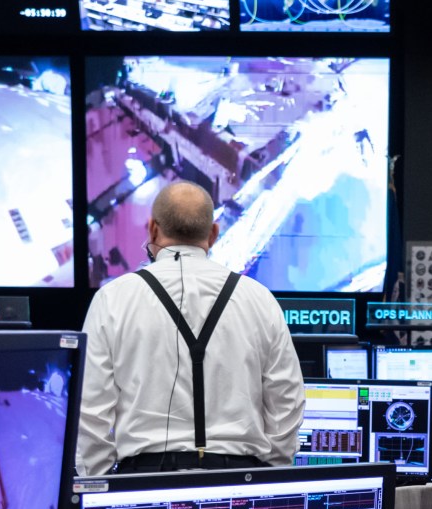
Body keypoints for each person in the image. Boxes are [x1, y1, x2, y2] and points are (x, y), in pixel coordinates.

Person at [77, 181, 303, 475]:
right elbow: (287, 398)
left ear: (152, 229)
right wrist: (270, 473)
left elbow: (88, 408)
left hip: (143, 481)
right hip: (241, 480)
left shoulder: (112, 298)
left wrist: (103, 484)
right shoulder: (258, 298)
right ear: (213, 234)